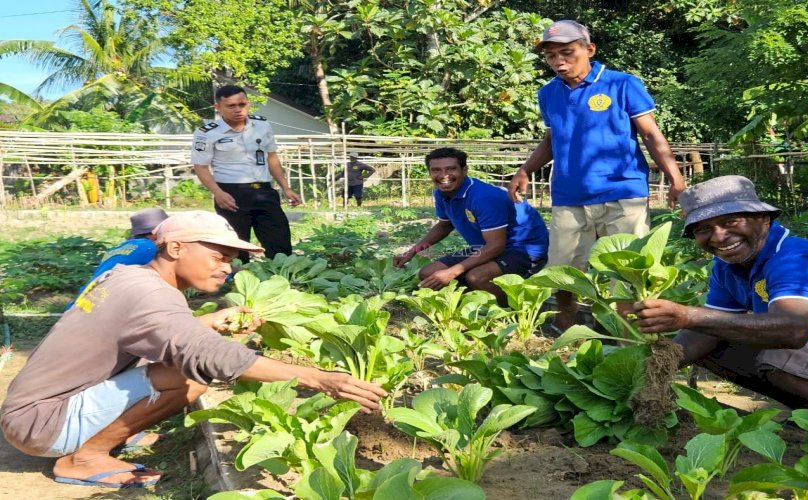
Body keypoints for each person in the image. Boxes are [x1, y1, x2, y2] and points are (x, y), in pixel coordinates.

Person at [0, 211, 386, 488]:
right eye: (218, 257)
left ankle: (104, 434)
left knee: (174, 367)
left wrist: (213, 321)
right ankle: (83, 458)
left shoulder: (129, 277)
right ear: (176, 247)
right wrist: (318, 378)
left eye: (231, 261)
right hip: (42, 425)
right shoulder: (151, 295)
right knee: (190, 379)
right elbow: (210, 357)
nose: (226, 269)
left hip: (36, 409)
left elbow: (160, 335)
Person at [626, 175, 808, 464]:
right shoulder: (728, 267)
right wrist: (649, 375)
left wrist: (686, 315)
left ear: (764, 219)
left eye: (731, 222)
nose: (718, 237)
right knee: (710, 339)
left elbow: (793, 330)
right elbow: (705, 332)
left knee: (779, 353)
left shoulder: (795, 259)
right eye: (704, 229)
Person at [507, 19, 687, 331]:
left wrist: (676, 179)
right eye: (551, 56)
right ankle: (565, 327)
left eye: (567, 52)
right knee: (562, 270)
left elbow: (650, 135)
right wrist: (526, 169)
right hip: (569, 195)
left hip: (623, 193)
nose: (559, 61)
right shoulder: (548, 93)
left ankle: (624, 333)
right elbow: (553, 138)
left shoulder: (622, 84)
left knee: (629, 270)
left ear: (589, 49)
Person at [393, 147, 549, 306]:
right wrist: (411, 252)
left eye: (451, 168)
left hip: (523, 249)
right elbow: (444, 226)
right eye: (436, 170)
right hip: (486, 246)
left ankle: (515, 309)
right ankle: (477, 303)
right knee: (428, 273)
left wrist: (451, 272)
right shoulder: (441, 194)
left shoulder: (484, 197)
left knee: (476, 277)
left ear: (465, 170)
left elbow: (496, 247)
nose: (443, 175)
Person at [192, 84, 302, 260]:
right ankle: (236, 283)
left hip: (264, 192)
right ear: (218, 108)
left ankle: (281, 281)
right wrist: (218, 193)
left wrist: (286, 188)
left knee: (280, 246)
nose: (238, 110)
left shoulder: (262, 125)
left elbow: (271, 158)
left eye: (242, 104)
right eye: (231, 106)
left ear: (248, 104)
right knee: (235, 250)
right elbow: (201, 167)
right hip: (231, 195)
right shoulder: (207, 133)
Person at [65, 208, 169, 311]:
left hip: (80, 305)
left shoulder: (120, 247)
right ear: (154, 233)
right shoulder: (150, 248)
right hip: (99, 311)